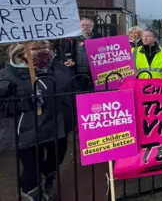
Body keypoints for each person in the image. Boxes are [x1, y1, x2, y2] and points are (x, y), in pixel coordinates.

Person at [0, 40, 72, 200]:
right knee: (32, 167)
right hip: (27, 130)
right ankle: (31, 192)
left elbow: (72, 88)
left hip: (58, 124)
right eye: (36, 48)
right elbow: (2, 105)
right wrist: (24, 102)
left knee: (57, 157)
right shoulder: (7, 75)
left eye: (46, 47)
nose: (43, 51)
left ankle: (48, 176)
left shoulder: (59, 68)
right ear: (20, 51)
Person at [63, 17, 101, 91]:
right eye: (83, 25)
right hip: (76, 74)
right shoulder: (72, 39)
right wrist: (68, 60)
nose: (85, 27)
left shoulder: (100, 39)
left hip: (94, 75)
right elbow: (65, 53)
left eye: (88, 25)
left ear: (92, 27)